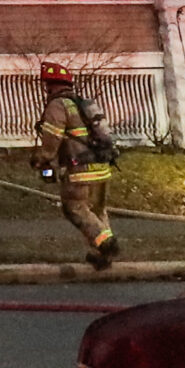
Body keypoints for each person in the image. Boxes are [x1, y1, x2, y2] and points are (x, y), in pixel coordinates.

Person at [35, 61, 121, 269]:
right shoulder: (84, 104)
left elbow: (52, 138)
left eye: (47, 86)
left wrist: (42, 158)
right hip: (102, 168)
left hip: (80, 171)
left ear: (52, 86)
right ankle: (102, 256)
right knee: (97, 211)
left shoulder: (58, 105)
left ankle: (107, 244)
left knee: (74, 208)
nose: (46, 90)